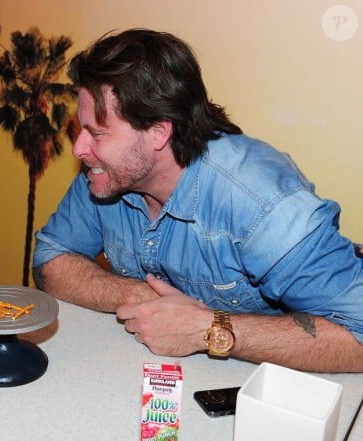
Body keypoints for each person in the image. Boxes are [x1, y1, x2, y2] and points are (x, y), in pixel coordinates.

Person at [32, 29, 363, 373]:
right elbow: (50, 259)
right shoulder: (108, 174)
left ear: (159, 132)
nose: (79, 149)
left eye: (98, 133)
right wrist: (140, 298)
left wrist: (208, 329)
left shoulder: (261, 202)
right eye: (80, 128)